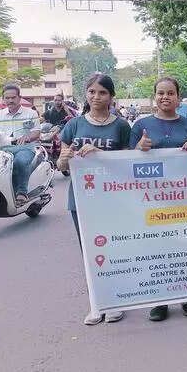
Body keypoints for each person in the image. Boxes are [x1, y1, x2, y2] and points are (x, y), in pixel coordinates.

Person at [58, 74, 131, 325]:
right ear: (85, 94)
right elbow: (61, 164)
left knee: (113, 250)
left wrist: (101, 154)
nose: (96, 97)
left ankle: (116, 301)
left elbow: (128, 165)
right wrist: (64, 160)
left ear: (111, 96)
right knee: (89, 252)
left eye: (102, 92)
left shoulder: (121, 126)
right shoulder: (74, 125)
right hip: (80, 198)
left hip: (112, 198)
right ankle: (97, 303)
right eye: (91, 92)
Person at [129, 76, 187, 322]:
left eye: (170, 93)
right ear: (155, 97)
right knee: (157, 247)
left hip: (184, 197)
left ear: (178, 97)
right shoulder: (140, 125)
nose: (165, 97)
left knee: (185, 246)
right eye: (160, 93)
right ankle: (159, 300)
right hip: (152, 199)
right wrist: (139, 148)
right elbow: (125, 162)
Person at [0, 84, 40, 205]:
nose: (10, 100)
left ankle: (22, 192)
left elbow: (36, 132)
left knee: (20, 162)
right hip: (2, 151)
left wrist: (27, 137)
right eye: (7, 98)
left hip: (24, 149)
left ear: (19, 98)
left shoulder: (31, 113)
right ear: (3, 99)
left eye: (13, 97)